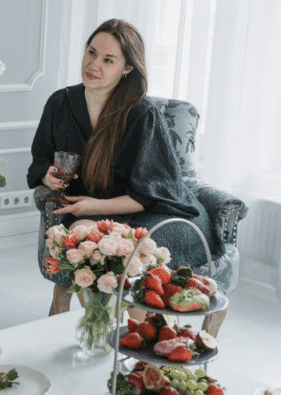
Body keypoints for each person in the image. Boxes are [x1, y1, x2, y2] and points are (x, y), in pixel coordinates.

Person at [27, 19, 221, 316]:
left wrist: (93, 207)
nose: (93, 65)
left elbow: (154, 193)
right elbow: (41, 157)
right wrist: (47, 175)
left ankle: (136, 337)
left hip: (154, 213)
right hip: (98, 210)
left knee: (126, 258)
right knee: (84, 239)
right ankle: (100, 328)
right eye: (91, 53)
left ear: (127, 67)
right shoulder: (60, 103)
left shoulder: (142, 114)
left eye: (108, 60)